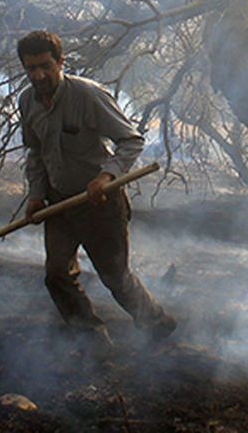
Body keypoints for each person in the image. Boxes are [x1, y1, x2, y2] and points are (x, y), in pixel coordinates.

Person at [16, 30, 176, 348]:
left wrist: (106, 176)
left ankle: (156, 323)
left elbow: (132, 141)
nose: (39, 75)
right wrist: (36, 194)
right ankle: (90, 337)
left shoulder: (88, 96)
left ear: (61, 62)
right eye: (31, 68)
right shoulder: (27, 101)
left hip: (100, 203)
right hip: (58, 202)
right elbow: (35, 153)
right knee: (57, 274)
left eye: (46, 66)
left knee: (115, 276)